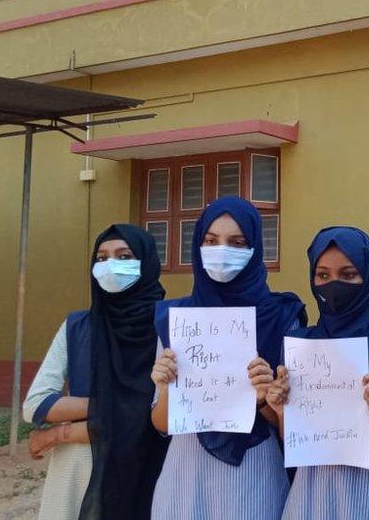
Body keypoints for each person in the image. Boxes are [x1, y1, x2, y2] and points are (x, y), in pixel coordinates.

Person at [149, 196, 306, 519]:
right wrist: (166, 388)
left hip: (254, 472)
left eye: (237, 242)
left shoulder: (282, 316)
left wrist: (265, 399)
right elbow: (161, 423)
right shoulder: (176, 319)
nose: (222, 251)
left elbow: (293, 428)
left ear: (256, 248)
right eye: (210, 241)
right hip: (185, 476)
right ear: (197, 246)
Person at [266, 226, 369, 520]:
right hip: (308, 501)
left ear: (368, 278)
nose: (333, 285)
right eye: (323, 275)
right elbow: (294, 441)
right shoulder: (304, 348)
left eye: (348, 274)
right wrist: (280, 411)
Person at [23, 224, 168, 520]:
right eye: (101, 258)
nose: (110, 265)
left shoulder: (167, 326)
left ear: (147, 262)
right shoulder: (78, 327)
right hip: (79, 470)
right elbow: (35, 404)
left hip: (146, 469)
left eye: (123, 256)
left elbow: (158, 420)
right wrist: (119, 408)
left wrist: (61, 432)